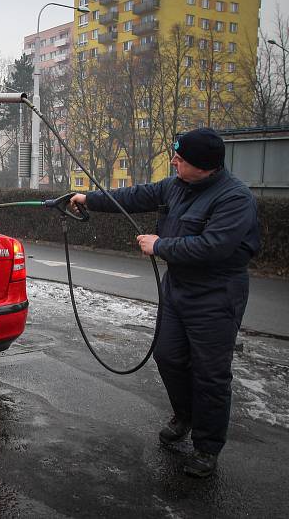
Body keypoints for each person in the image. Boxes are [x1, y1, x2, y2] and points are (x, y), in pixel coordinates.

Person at [70, 128, 260, 478]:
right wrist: (87, 199)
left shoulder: (235, 199)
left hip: (216, 295)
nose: (174, 161)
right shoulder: (177, 185)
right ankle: (185, 416)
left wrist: (160, 246)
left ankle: (207, 447)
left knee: (210, 374)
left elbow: (214, 246)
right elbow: (134, 195)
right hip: (177, 289)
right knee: (168, 356)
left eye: (181, 158)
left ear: (204, 166)